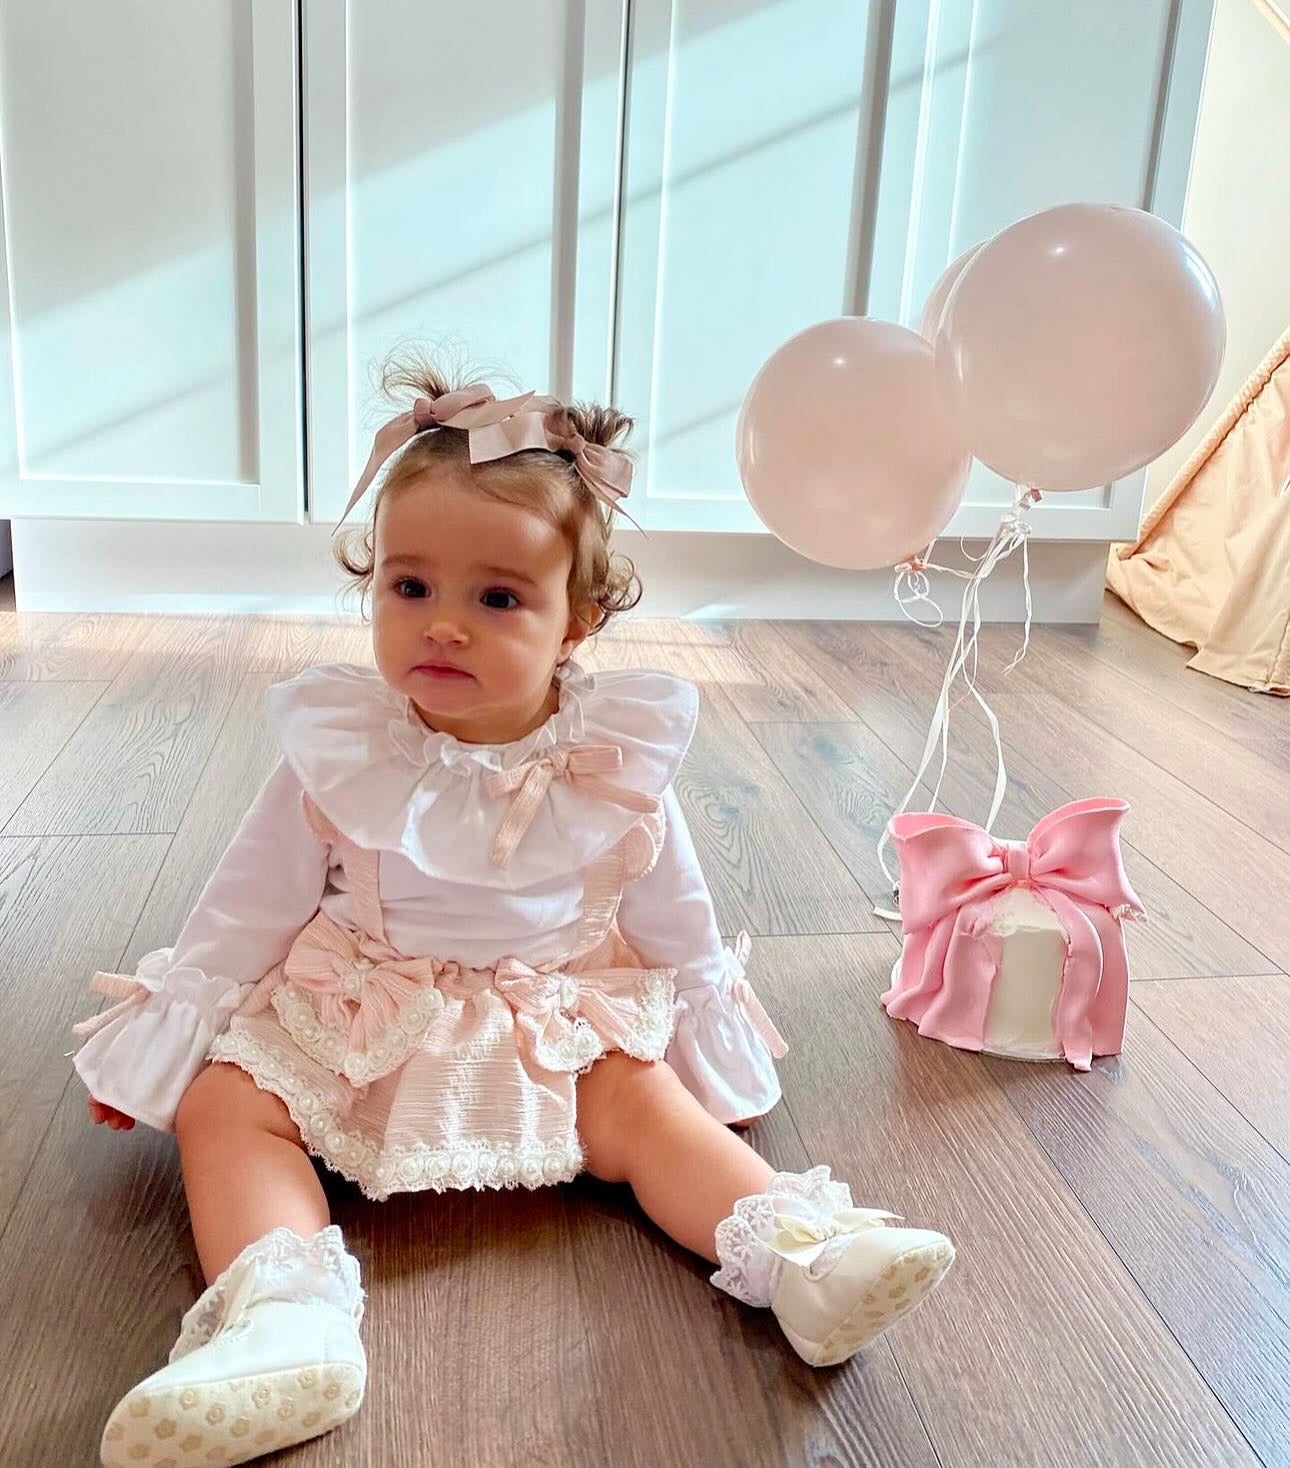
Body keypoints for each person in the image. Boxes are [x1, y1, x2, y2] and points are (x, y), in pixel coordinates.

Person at [74, 358, 955, 1467]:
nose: (443, 626)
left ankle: (803, 1258)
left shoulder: (614, 758)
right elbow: (246, 906)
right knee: (225, 1106)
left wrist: (709, 1060)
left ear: (578, 621)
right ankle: (283, 1326)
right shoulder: (342, 749)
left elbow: (676, 912)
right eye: (410, 587)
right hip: (360, 1010)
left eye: (496, 599)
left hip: (554, 1023)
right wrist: (169, 1041)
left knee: (648, 1109)